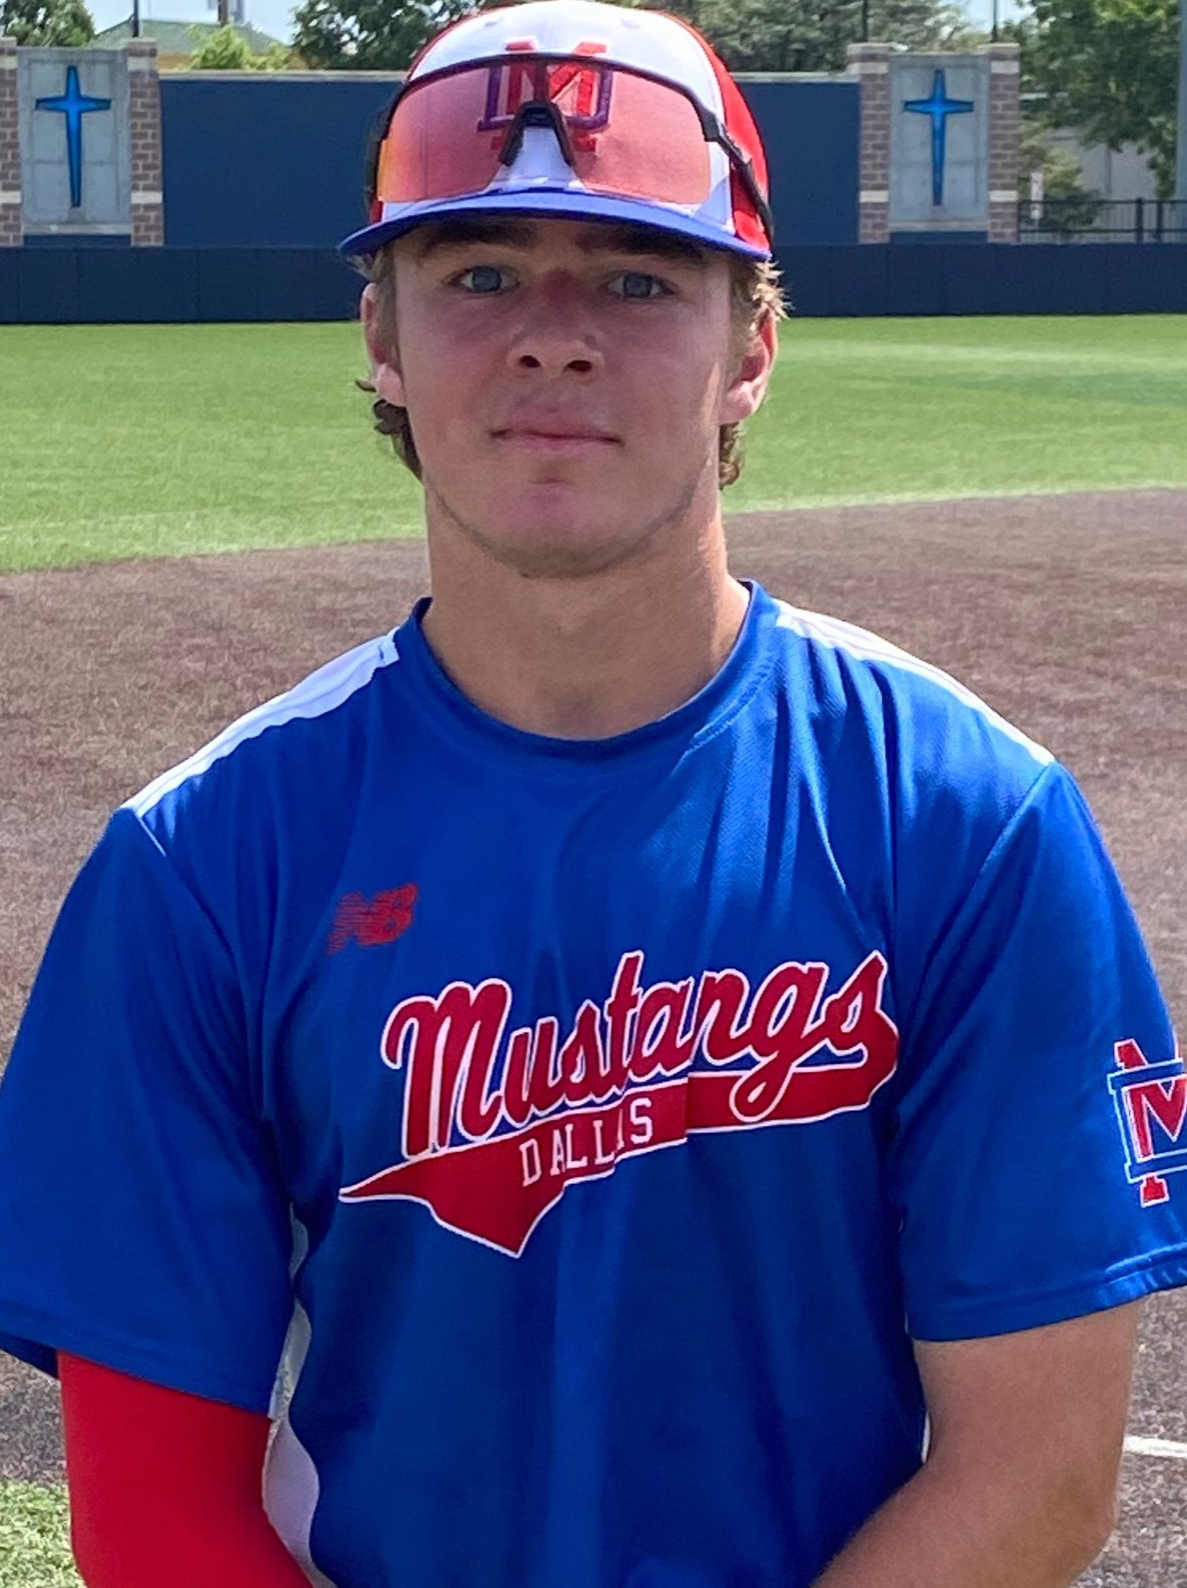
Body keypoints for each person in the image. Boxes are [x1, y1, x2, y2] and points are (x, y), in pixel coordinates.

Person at [0, 3, 1184, 1586]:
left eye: (636, 277)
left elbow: (1036, 1474)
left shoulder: (969, 819)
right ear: (382, 338)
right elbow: (155, 1518)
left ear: (747, 348)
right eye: (478, 273)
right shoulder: (200, 860)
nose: (552, 336)